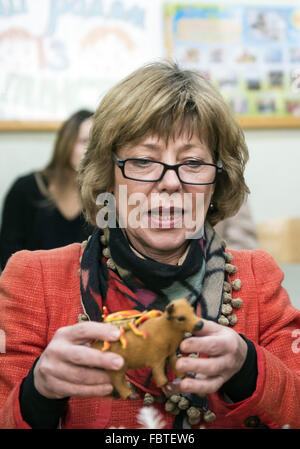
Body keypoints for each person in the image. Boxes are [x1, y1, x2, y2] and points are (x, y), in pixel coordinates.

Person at [0, 61, 299, 429]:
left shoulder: (256, 277)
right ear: (107, 176)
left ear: (217, 182)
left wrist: (250, 366)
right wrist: (37, 393)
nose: (171, 183)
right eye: (143, 160)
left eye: (192, 162)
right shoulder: (34, 279)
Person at [0, 109, 94, 270]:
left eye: (98, 143)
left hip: (82, 292)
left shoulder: (106, 197)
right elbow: (8, 256)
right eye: (85, 141)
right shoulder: (26, 189)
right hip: (29, 288)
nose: (92, 150)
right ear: (66, 143)